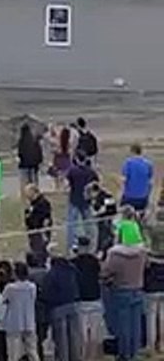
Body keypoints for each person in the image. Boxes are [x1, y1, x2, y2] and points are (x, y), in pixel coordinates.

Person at [103, 233, 148, 361]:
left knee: (123, 327)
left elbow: (106, 272)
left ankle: (124, 354)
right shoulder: (141, 254)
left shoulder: (115, 255)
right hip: (137, 289)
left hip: (121, 292)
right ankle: (134, 353)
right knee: (135, 325)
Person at [43, 248, 81, 361]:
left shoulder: (51, 274)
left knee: (61, 340)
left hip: (57, 308)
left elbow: (47, 293)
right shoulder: (72, 270)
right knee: (74, 338)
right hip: (73, 305)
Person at [3, 261, 39, 361]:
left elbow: (4, 300)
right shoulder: (32, 287)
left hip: (14, 322)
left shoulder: (10, 288)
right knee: (32, 350)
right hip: (29, 321)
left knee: (13, 353)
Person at [66, 155, 99, 251]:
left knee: (72, 224)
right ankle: (91, 241)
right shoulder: (90, 172)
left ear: (77, 159)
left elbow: (67, 183)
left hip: (74, 199)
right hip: (86, 200)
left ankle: (72, 243)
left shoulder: (73, 171)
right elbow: (96, 183)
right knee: (88, 223)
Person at [122, 143, 154, 213]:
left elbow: (124, 180)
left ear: (132, 151)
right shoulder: (148, 164)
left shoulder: (128, 163)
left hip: (129, 197)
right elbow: (151, 182)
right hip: (143, 197)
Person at [17, 122, 44, 190]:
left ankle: (27, 193)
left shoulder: (21, 141)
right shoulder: (34, 140)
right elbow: (39, 151)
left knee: (26, 181)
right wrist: (39, 161)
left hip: (24, 164)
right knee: (34, 180)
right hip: (34, 164)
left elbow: (20, 153)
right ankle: (35, 192)